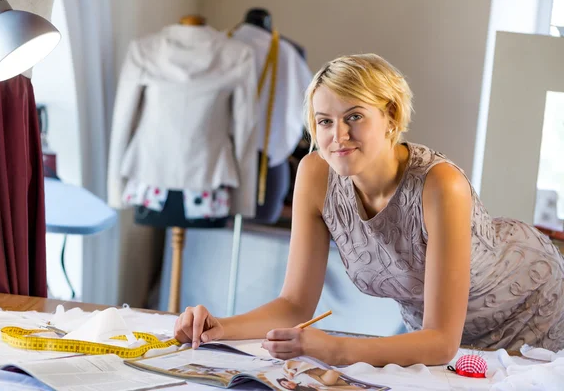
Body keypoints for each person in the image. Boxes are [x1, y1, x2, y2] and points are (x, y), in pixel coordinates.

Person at [174, 54, 564, 367]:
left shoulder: (441, 185)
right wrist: (220, 328)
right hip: (433, 336)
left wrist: (336, 350)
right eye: (324, 121)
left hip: (529, 305)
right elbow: (294, 304)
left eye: (354, 117)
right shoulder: (316, 173)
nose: (337, 136)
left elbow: (441, 343)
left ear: (391, 116)